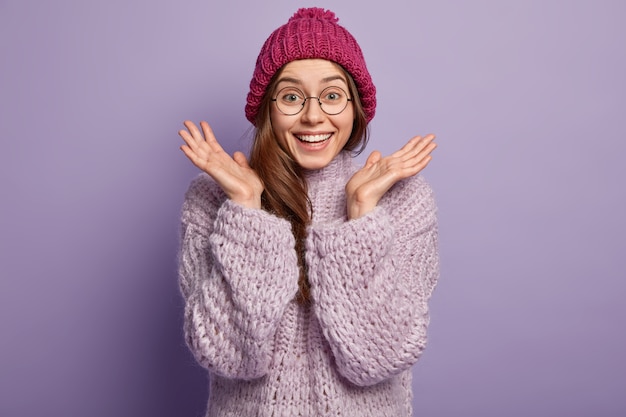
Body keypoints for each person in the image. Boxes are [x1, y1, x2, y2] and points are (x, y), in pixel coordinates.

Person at [177, 7, 439, 417]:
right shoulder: (213, 200)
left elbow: (381, 357)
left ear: (355, 109)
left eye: (332, 96)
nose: (313, 115)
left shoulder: (402, 200)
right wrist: (246, 210)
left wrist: (360, 218)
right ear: (267, 108)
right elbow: (229, 356)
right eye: (292, 96)